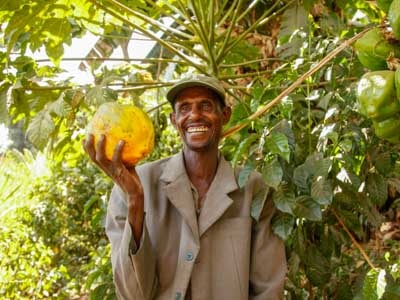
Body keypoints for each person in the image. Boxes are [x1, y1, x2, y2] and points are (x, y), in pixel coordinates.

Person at [83, 74, 287, 300]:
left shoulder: (253, 188)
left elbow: (269, 288)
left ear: (225, 115)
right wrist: (135, 201)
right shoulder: (133, 186)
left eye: (205, 105)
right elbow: (132, 295)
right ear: (173, 120)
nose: (195, 115)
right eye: (184, 108)